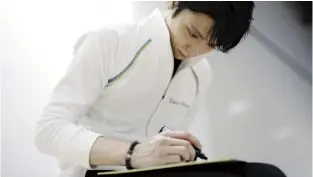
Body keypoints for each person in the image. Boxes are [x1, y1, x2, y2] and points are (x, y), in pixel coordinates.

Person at [35, 1, 255, 177]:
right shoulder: (111, 41)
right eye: (193, 33)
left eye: (210, 45)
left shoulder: (201, 74)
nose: (194, 50)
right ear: (174, 3)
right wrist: (134, 153)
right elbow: (48, 130)